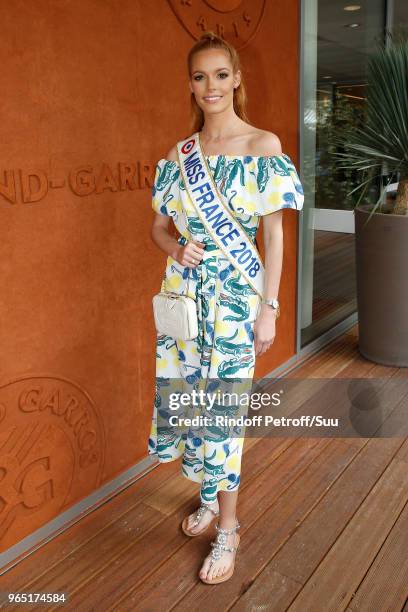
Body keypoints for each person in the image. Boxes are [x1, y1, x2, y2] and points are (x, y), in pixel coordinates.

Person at [147, 31, 304, 585]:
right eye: (199, 76)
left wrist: (271, 309)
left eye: (219, 74)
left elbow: (276, 240)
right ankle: (210, 500)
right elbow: (158, 229)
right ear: (190, 85)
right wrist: (176, 247)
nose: (209, 86)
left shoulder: (263, 147)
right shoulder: (179, 155)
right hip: (185, 302)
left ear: (236, 78)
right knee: (194, 407)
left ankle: (229, 528)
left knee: (226, 416)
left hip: (236, 305)